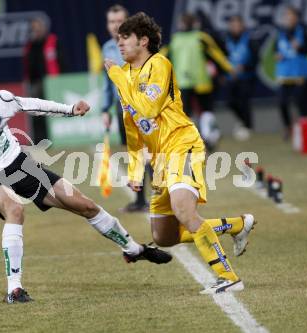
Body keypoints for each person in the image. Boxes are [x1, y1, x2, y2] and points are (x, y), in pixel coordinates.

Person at [0, 63, 172, 304]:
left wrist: (70, 110)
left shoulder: (1, 100)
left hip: (18, 164)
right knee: (15, 210)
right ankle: (15, 289)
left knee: (85, 205)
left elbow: (30, 104)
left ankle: (134, 249)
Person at [105, 12, 256, 294]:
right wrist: (136, 170)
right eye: (118, 40)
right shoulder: (126, 76)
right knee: (164, 236)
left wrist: (115, 75)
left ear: (144, 41)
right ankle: (237, 225)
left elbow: (148, 108)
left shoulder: (159, 65)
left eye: (125, 38)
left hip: (181, 144)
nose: (119, 44)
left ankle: (228, 277)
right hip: (160, 158)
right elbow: (133, 127)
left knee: (184, 210)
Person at [101, 4, 152, 212]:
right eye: (111, 22)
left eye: (119, 21)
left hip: (140, 106)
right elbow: (107, 83)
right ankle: (140, 201)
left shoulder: (137, 44)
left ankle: (162, 198)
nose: (115, 26)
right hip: (121, 108)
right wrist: (106, 109)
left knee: (149, 153)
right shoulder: (106, 48)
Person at [167, 13, 233, 151]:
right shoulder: (201, 38)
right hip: (201, 81)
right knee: (206, 110)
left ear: (181, 24)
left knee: (186, 114)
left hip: (182, 83)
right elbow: (216, 54)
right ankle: (209, 138)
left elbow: (163, 56)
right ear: (195, 24)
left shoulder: (175, 40)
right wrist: (229, 69)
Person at [273, 5, 307, 140]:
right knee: (282, 102)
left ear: (296, 17)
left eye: (291, 15)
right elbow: (274, 51)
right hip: (285, 74)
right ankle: (288, 127)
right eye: (286, 15)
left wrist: (299, 46)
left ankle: (306, 131)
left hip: (300, 73)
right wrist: (277, 55)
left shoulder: (302, 31)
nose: (289, 18)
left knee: (302, 102)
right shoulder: (280, 33)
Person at [23, 17, 64, 143]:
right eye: (34, 29)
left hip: (52, 83)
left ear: (44, 28)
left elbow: (61, 61)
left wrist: (61, 80)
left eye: (38, 28)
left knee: (52, 112)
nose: (36, 31)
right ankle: (40, 140)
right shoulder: (30, 45)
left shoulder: (53, 41)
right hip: (36, 84)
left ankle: (54, 138)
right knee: (37, 113)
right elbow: (27, 65)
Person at [224, 15, 258, 141]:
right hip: (231, 77)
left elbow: (256, 58)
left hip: (247, 77)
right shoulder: (226, 40)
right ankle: (243, 121)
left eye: (237, 24)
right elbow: (222, 57)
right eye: (232, 25)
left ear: (242, 25)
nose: (235, 27)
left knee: (244, 101)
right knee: (229, 101)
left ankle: (248, 126)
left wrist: (245, 67)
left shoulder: (249, 39)